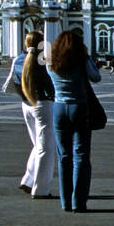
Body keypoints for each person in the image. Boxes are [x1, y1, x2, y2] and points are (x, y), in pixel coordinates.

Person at [47, 30, 102, 212]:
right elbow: (96, 77)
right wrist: (87, 57)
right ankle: (79, 202)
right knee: (81, 156)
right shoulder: (80, 60)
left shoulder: (51, 61)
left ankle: (65, 202)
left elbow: (49, 81)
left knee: (64, 156)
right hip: (79, 108)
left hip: (59, 109)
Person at [15, 31, 56, 199]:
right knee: (46, 149)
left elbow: (14, 82)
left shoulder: (18, 59)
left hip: (26, 104)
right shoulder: (44, 61)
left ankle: (28, 180)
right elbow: (54, 83)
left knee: (38, 145)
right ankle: (40, 190)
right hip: (43, 105)